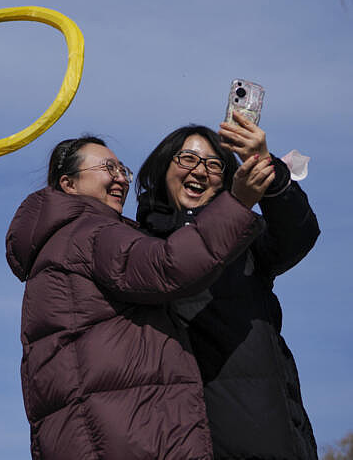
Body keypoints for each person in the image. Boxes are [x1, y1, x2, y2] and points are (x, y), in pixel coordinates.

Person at [6, 136, 274, 459]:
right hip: (132, 441)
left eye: (122, 169)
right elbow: (169, 266)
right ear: (69, 184)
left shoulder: (51, 251)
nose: (120, 177)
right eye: (108, 168)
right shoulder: (91, 232)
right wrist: (237, 204)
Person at [136, 112, 320, 459]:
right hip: (178, 439)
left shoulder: (245, 241)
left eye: (213, 165)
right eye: (188, 158)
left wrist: (266, 168)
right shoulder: (137, 248)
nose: (200, 170)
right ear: (162, 170)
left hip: (267, 436)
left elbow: (299, 235)